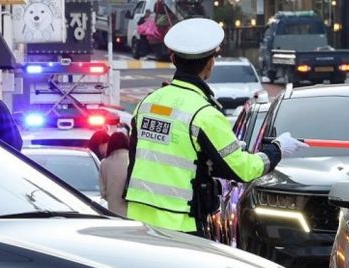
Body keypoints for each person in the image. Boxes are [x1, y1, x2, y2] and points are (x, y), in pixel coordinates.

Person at [123, 18, 307, 235]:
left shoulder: (147, 104)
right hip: (181, 226)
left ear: (172, 59)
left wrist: (212, 156)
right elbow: (245, 169)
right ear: (210, 64)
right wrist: (277, 149)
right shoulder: (204, 115)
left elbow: (149, 155)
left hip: (138, 223)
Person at [100, 132, 130, 216]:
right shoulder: (134, 160)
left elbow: (103, 192)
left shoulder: (104, 163)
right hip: (132, 211)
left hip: (113, 211)